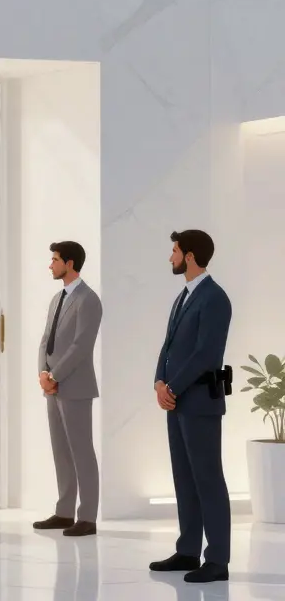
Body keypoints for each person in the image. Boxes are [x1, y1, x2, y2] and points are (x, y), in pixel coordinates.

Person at [149, 230, 233, 584]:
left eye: (175, 251)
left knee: (207, 478)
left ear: (191, 255)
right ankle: (188, 550)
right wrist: (158, 381)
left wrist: (173, 386)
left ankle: (217, 559)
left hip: (198, 401)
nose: (171, 257)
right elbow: (168, 346)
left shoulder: (215, 299)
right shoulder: (183, 297)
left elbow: (206, 354)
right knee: (184, 477)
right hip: (177, 401)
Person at [33, 241, 102, 537]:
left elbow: (81, 346)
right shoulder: (56, 299)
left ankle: (87, 516)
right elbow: (45, 338)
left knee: (81, 451)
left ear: (70, 263)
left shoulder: (89, 300)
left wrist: (55, 374)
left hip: (75, 386)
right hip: (53, 386)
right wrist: (42, 374)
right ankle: (64, 511)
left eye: (55, 260)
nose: (51, 265)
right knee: (60, 450)